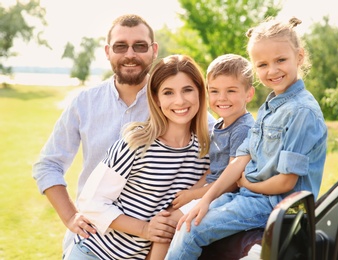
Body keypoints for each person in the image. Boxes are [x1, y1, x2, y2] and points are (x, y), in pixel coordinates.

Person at [32, 14, 216, 253]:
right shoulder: (85, 102)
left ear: (153, 50)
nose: (130, 54)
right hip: (93, 240)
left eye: (139, 46)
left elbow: (219, 150)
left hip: (145, 250)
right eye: (121, 46)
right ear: (108, 52)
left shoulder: (175, 104)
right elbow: (48, 166)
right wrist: (71, 217)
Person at [164, 17, 328, 259]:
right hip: (248, 197)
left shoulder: (301, 112)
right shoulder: (270, 106)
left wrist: (247, 184)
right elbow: (239, 161)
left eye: (281, 60)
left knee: (192, 230)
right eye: (262, 64)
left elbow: (286, 183)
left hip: (275, 205)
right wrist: (206, 199)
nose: (272, 70)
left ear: (299, 57)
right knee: (187, 217)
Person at [65, 54, 210, 259]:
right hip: (95, 252)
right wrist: (145, 229)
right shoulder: (136, 142)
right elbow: (91, 202)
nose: (180, 101)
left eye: (188, 90)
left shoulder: (205, 153)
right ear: (157, 99)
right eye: (168, 92)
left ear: (200, 94)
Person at [147, 53, 255, 260]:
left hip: (225, 195)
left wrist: (192, 196)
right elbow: (212, 170)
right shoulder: (219, 125)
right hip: (211, 191)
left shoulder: (242, 129)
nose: (221, 98)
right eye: (214, 91)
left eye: (231, 91)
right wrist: (191, 190)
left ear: (248, 94)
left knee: (168, 225)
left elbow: (232, 181)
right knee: (164, 219)